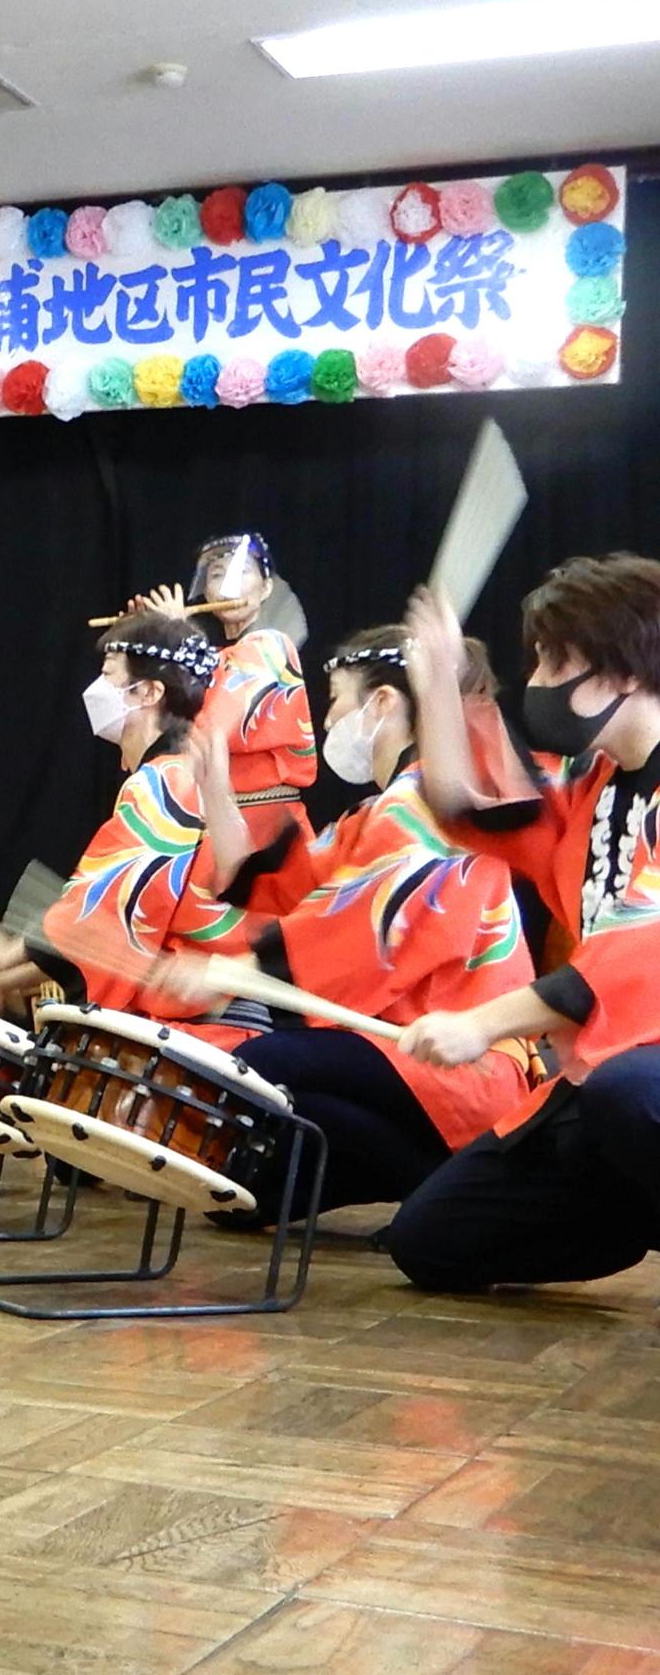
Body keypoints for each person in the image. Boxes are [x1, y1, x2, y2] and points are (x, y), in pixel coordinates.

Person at [155, 624, 537, 1225]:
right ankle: (440, 1177)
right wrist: (218, 788)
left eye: (336, 697)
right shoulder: (380, 811)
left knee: (253, 1067)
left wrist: (236, 968)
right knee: (255, 1182)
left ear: (383, 703)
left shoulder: (425, 810)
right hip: (401, 1054)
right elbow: (286, 887)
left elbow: (363, 930)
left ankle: (460, 1168)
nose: (329, 717)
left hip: (455, 1059)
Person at [384, 557, 660, 1290]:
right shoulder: (593, 788)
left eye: (555, 659)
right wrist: (438, 683)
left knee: (630, 1094)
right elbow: (467, 805)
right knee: (432, 1242)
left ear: (624, 672)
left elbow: (635, 957)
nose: (536, 680)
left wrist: (482, 1024)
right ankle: (627, 1213)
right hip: (597, 1075)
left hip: (641, 1076)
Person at [0, 612, 260, 1048]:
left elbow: (108, 911)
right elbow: (122, 936)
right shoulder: (179, 777)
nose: (96, 690)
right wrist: (6, 981)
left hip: (203, 1030)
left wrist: (7, 955)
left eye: (108, 675)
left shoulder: (163, 783)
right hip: (201, 1018)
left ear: (149, 692)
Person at [134, 532, 316, 845]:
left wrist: (177, 633)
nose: (228, 585)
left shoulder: (272, 646)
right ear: (205, 590)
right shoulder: (213, 656)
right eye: (217, 575)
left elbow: (214, 727)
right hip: (219, 823)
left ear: (267, 587)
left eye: (242, 571)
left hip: (265, 831)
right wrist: (145, 636)